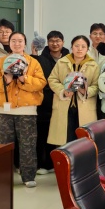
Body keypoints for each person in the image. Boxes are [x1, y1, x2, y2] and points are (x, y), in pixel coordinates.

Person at [0, 32, 47, 187]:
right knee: (4, 146)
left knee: (28, 144)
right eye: (14, 41)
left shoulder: (33, 62)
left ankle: (28, 177)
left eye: (20, 41)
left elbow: (41, 83)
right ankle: (4, 177)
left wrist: (24, 78)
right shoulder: (1, 62)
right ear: (9, 43)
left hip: (26, 110)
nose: (17, 44)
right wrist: (5, 80)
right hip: (3, 110)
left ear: (25, 43)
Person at [47, 35, 101, 147]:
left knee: (83, 142)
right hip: (64, 106)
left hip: (85, 107)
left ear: (87, 49)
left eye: (83, 46)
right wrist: (63, 91)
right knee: (64, 142)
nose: (79, 49)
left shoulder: (93, 65)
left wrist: (85, 90)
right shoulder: (62, 62)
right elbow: (52, 80)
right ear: (71, 47)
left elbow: (96, 86)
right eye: (76, 46)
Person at [35, 30, 68, 174]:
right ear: (47, 43)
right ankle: (46, 164)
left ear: (63, 42)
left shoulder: (69, 58)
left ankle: (65, 163)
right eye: (52, 41)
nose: (55, 44)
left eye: (58, 40)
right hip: (46, 102)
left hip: (64, 100)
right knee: (45, 134)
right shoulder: (40, 58)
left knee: (63, 133)